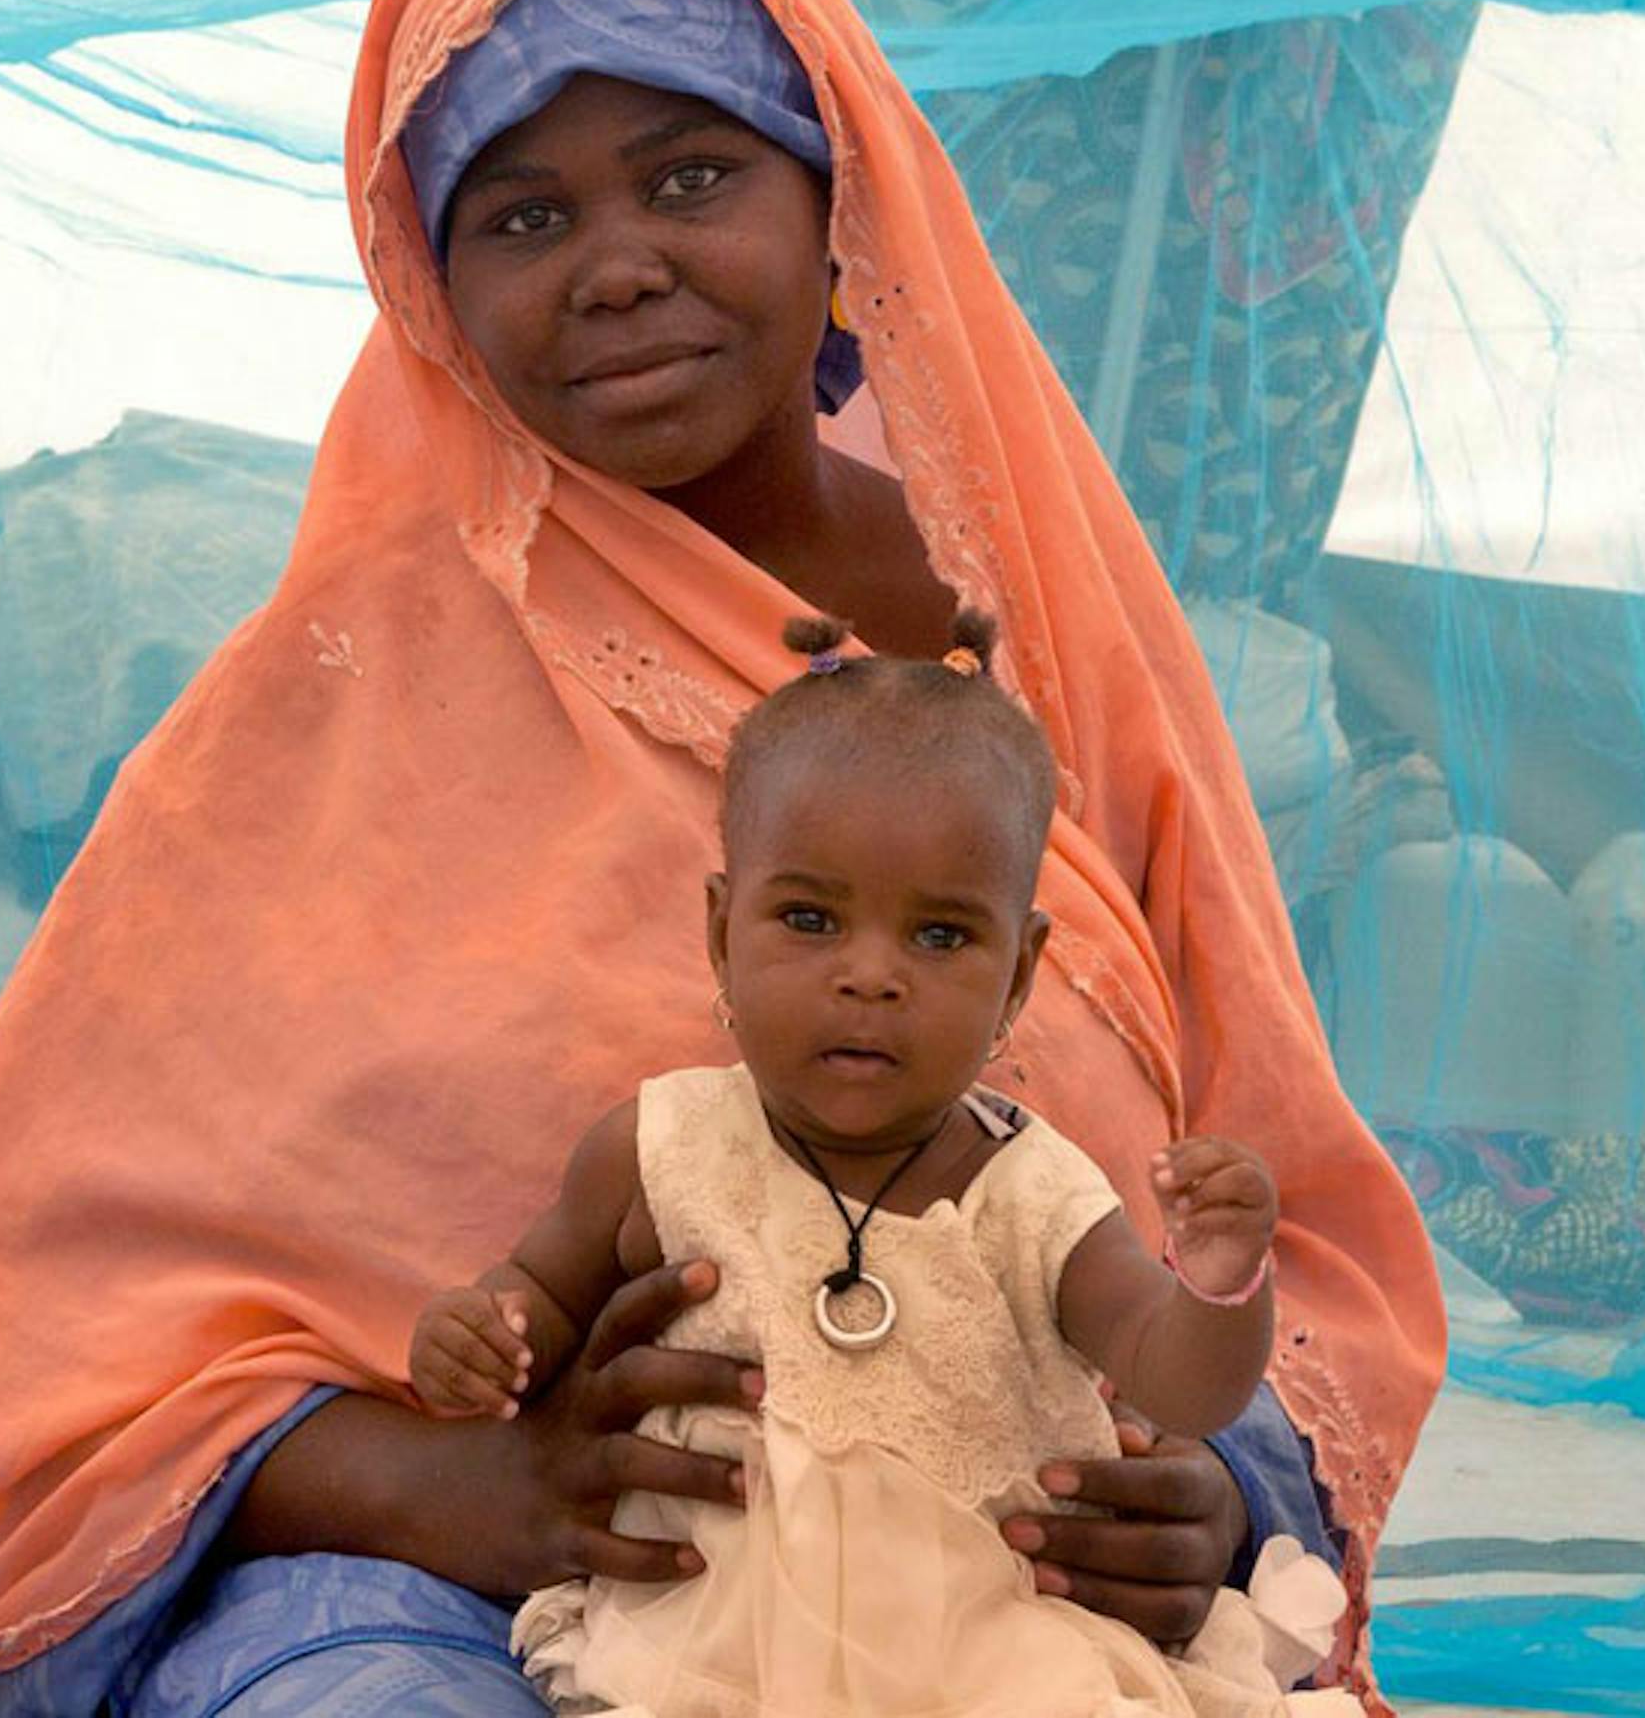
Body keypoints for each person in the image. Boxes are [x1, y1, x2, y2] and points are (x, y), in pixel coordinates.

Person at [0, 0, 1442, 1715]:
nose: (618, 267)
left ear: (832, 196)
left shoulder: (1027, 626)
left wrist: (1206, 1488)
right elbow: (69, 1347)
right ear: (434, 288)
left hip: (993, 1584)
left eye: (693, 178)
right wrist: (481, 1487)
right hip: (445, 1590)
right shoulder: (329, 699)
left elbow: (1269, 1193)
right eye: (523, 219)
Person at [411, 610, 1357, 1716]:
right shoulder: (656, 1148)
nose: (871, 976)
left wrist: (1221, 1281)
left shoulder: (1037, 1194)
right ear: (722, 932)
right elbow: (537, 1295)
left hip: (990, 1649)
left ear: (1019, 973)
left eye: (942, 937)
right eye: (810, 919)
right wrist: (477, 1337)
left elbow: (1180, 1380)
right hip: (712, 1643)